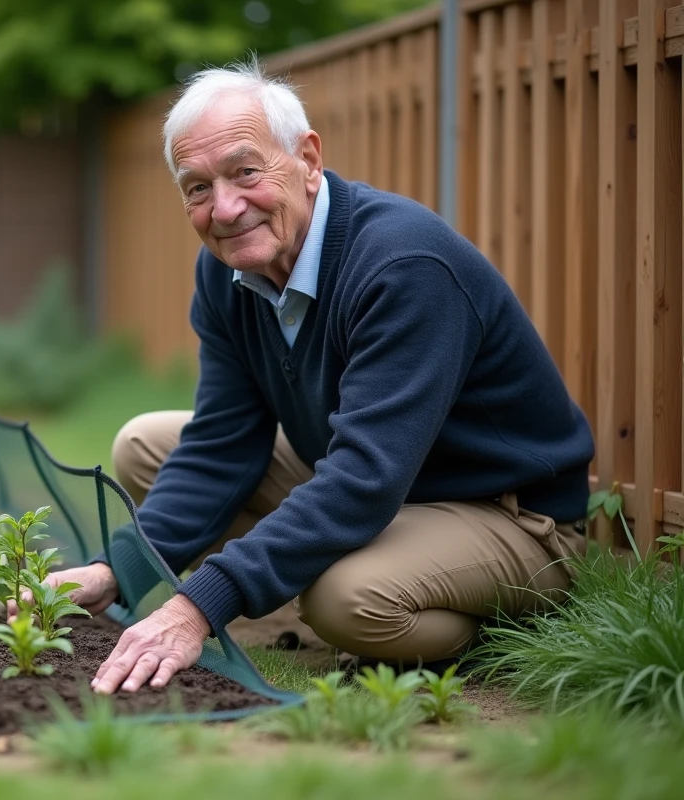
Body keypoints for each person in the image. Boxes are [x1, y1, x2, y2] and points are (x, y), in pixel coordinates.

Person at [38, 58, 595, 695]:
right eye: (197, 188)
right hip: (390, 486)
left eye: (245, 171)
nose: (224, 208)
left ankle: (480, 628)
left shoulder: (402, 265)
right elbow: (223, 442)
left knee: (343, 599)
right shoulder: (225, 273)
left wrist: (197, 605)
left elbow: (364, 479)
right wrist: (116, 572)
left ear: (307, 159)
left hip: (507, 515)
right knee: (145, 445)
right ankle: (315, 571)